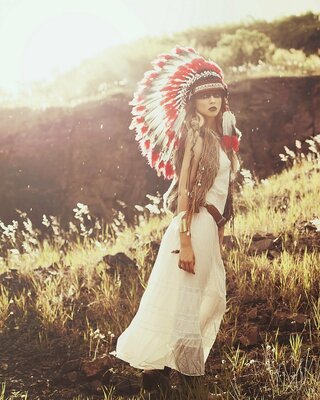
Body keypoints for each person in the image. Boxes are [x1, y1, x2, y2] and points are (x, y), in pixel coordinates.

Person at [112, 60, 241, 393]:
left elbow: (224, 195)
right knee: (187, 303)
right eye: (204, 96)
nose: (212, 101)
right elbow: (185, 189)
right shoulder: (196, 136)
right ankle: (185, 381)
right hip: (193, 225)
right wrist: (185, 239)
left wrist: (217, 237)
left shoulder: (220, 138)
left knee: (208, 300)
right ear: (193, 102)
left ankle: (160, 374)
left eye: (217, 94)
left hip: (208, 229)